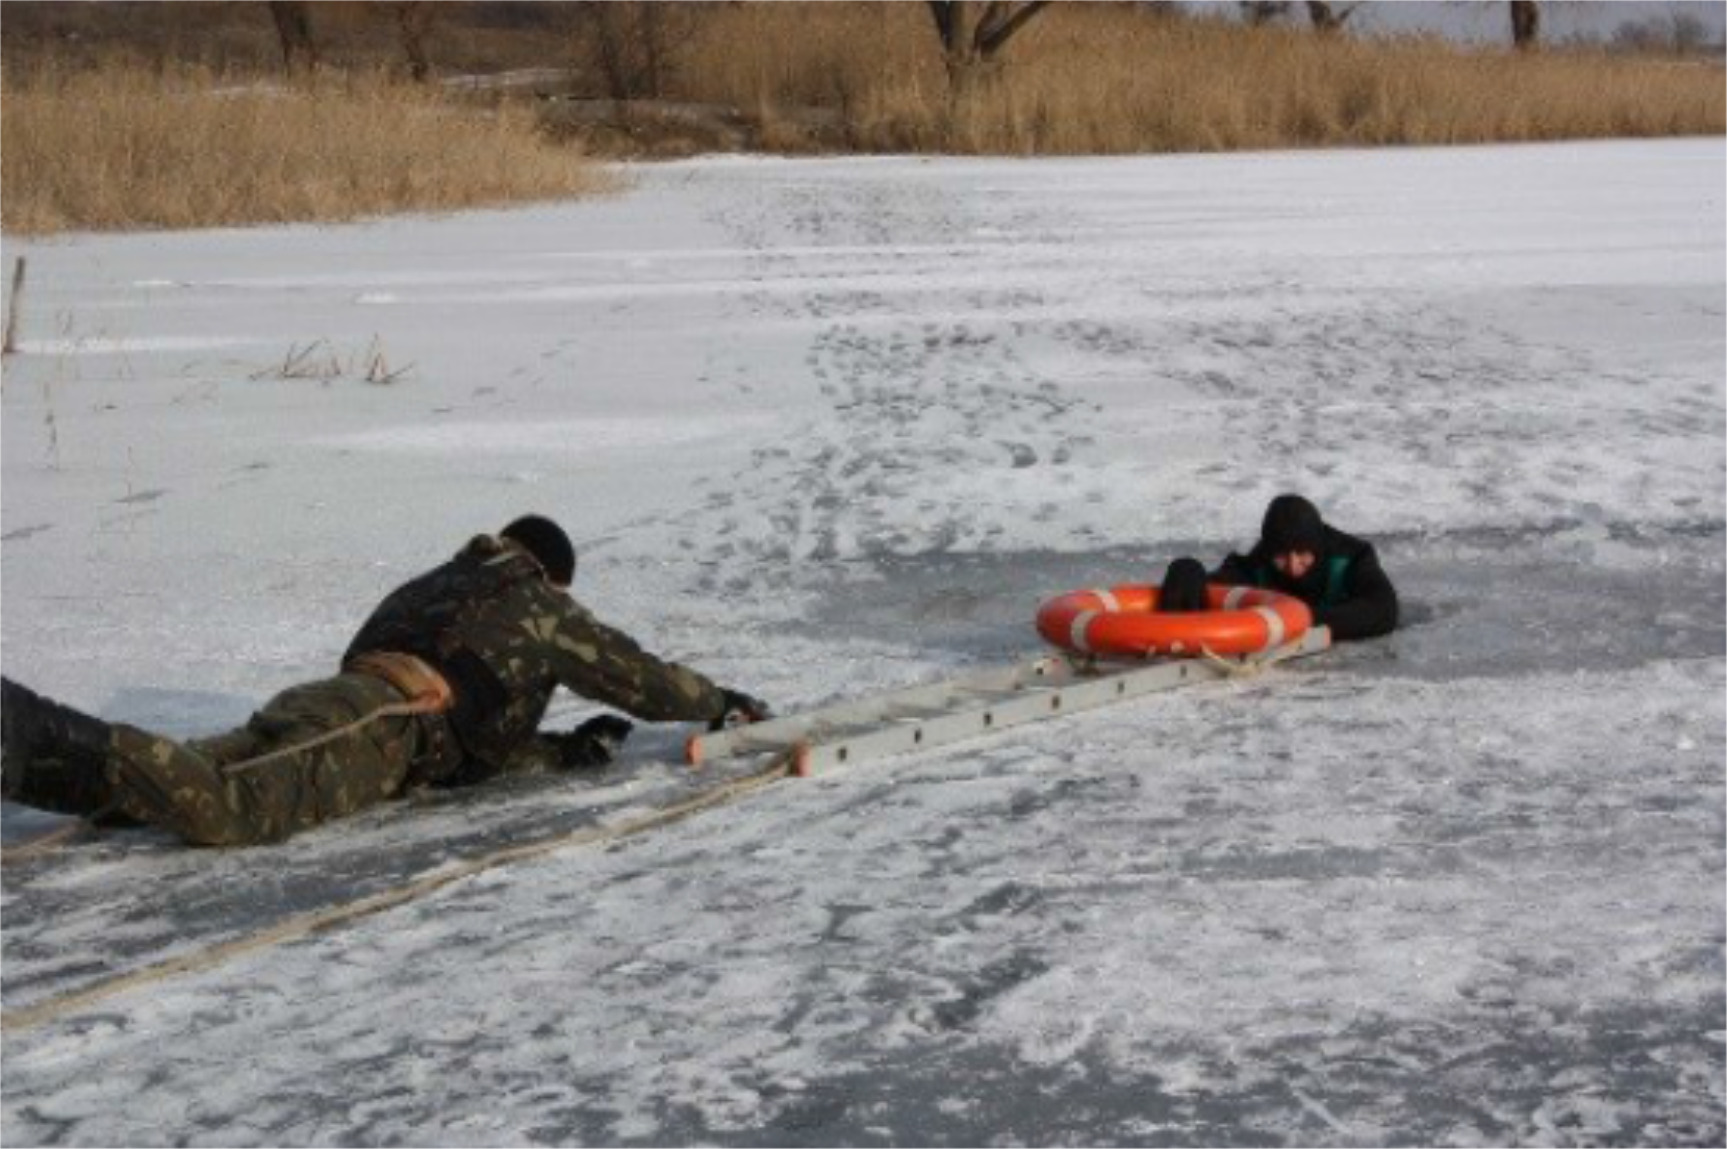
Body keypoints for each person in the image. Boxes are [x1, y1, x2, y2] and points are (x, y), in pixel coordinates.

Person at [1, 515, 771, 847]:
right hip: (378, 722)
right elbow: (631, 672)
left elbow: (471, 736)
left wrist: (562, 750)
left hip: (337, 706)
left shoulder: (442, 583)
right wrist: (717, 701)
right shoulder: (534, 602)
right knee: (234, 809)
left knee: (177, 783)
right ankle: (26, 727)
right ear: (549, 576)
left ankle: (26, 756)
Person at [1159, 493, 1398, 641]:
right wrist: (1186, 568)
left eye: (1303, 554)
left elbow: (1383, 610)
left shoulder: (1353, 557)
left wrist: (1298, 619)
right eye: (1282, 556)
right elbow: (1215, 586)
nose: (1294, 567)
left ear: (1317, 546)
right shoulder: (1259, 562)